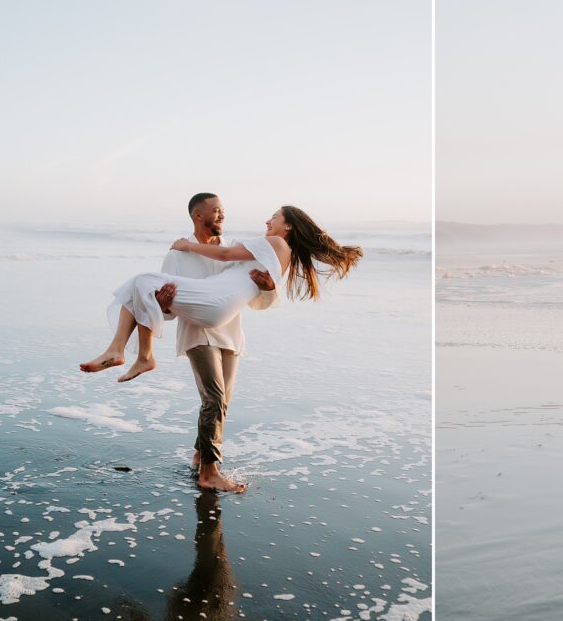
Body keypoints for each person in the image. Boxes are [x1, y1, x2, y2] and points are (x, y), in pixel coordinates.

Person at [80, 198, 362, 492]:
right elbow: (162, 309)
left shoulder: (240, 245)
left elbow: (255, 294)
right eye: (216, 211)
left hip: (229, 330)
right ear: (198, 215)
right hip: (198, 331)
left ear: (288, 225)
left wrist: (268, 288)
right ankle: (209, 470)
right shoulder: (176, 255)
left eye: (274, 217)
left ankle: (200, 454)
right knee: (213, 399)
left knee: (219, 404)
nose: (223, 215)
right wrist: (164, 307)